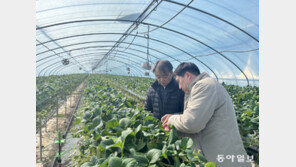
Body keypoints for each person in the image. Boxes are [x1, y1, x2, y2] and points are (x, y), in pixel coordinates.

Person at [161, 62, 251, 167]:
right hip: (214, 155)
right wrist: (175, 128)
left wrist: (171, 119)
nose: (179, 87)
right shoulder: (198, 88)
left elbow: (192, 123)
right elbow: (198, 125)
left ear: (188, 76)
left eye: (179, 81)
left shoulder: (204, 85)